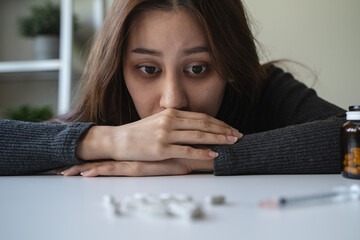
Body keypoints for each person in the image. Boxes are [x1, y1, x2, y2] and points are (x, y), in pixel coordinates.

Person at [0, 0, 345, 177]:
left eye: (198, 69)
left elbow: (352, 133)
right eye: (148, 69)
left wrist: (201, 160)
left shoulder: (262, 87)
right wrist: (111, 141)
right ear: (117, 70)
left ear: (231, 68)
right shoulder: (106, 108)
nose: (172, 100)